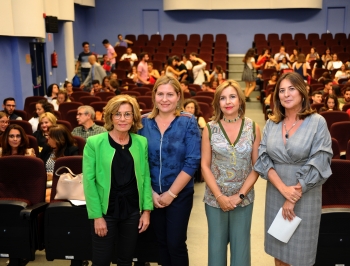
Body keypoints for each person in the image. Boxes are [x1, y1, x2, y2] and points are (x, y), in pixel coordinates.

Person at [254, 72, 333, 266]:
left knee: (300, 256)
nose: (286, 94)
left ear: (302, 92)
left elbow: (321, 160)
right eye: (281, 90)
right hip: (276, 191)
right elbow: (263, 158)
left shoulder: (317, 122)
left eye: (291, 89)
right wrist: (283, 189)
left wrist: (293, 194)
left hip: (305, 194)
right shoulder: (272, 124)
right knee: (279, 254)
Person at [83, 94, 153, 265]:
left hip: (131, 211)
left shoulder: (141, 142)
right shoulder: (94, 143)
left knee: (126, 260)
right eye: (118, 114)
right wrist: (97, 216)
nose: (122, 119)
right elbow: (89, 182)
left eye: (127, 114)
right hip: (105, 211)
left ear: (134, 117)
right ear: (110, 117)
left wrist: (146, 211)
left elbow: (145, 178)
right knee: (101, 260)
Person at [138, 75, 201, 266]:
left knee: (175, 244)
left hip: (179, 194)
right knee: (161, 244)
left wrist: (171, 194)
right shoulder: (143, 123)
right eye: (160, 94)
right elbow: (140, 163)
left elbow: (192, 161)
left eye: (170, 94)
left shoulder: (188, 121)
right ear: (154, 96)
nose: (165, 99)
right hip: (152, 193)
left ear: (178, 97)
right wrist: (151, 193)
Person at [201, 80, 261, 266]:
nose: (228, 102)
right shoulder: (209, 128)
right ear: (217, 103)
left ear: (240, 100)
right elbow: (204, 165)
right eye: (223, 98)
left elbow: (257, 166)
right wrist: (219, 196)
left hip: (243, 199)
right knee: (216, 251)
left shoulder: (253, 127)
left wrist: (240, 195)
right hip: (214, 199)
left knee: (241, 251)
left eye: (232, 97)